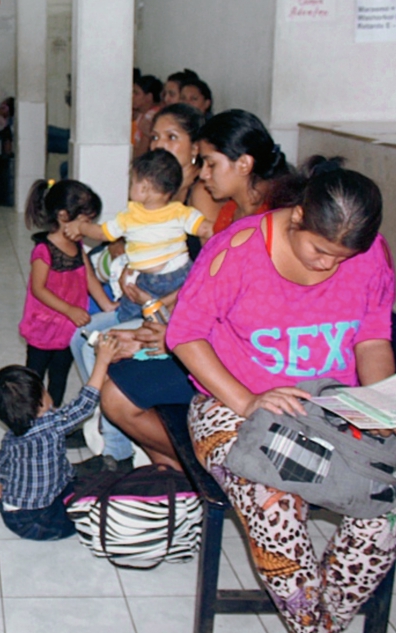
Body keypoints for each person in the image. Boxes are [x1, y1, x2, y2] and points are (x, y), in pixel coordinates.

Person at [169, 159, 396, 633]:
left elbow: (372, 340)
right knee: (273, 501)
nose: (328, 265)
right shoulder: (238, 250)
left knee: (390, 506)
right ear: (297, 215)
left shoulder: (367, 256)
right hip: (232, 404)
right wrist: (249, 398)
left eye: (342, 258)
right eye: (320, 250)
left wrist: (382, 401)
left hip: (326, 410)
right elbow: (184, 335)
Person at [82, 108, 288, 473]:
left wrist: (170, 339)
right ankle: (175, 476)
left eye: (209, 163)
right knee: (113, 365)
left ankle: (201, 471)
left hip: (242, 359)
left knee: (118, 395)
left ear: (243, 164)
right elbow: (202, 289)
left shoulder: (275, 225)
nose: (203, 173)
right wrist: (165, 328)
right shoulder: (228, 216)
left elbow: (255, 318)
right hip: (198, 337)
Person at [0, 332, 120, 540]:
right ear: (41, 403)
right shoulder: (51, 426)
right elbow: (85, 404)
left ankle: (71, 478)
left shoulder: (13, 436)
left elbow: (2, 462)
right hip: (39, 519)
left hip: (13, 511)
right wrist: (102, 360)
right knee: (88, 515)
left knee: (74, 488)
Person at [64, 149, 211, 324]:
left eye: (132, 182)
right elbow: (207, 229)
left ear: (144, 187)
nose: (130, 187)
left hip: (151, 280)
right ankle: (166, 321)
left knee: (129, 307)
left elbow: (103, 233)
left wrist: (81, 226)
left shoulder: (130, 216)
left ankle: (130, 325)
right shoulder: (181, 212)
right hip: (182, 271)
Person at [21, 179, 116, 408]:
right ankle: (28, 417)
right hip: (44, 327)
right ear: (63, 216)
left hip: (68, 329)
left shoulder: (78, 245)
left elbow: (89, 278)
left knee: (59, 375)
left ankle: (53, 417)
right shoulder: (43, 250)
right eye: (84, 222)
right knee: (34, 376)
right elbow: (38, 288)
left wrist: (108, 307)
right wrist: (69, 309)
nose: (87, 227)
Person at [132, 74, 163, 157]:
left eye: (136, 93)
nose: (132, 96)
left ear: (149, 97)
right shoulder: (143, 114)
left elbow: (141, 152)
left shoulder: (151, 117)